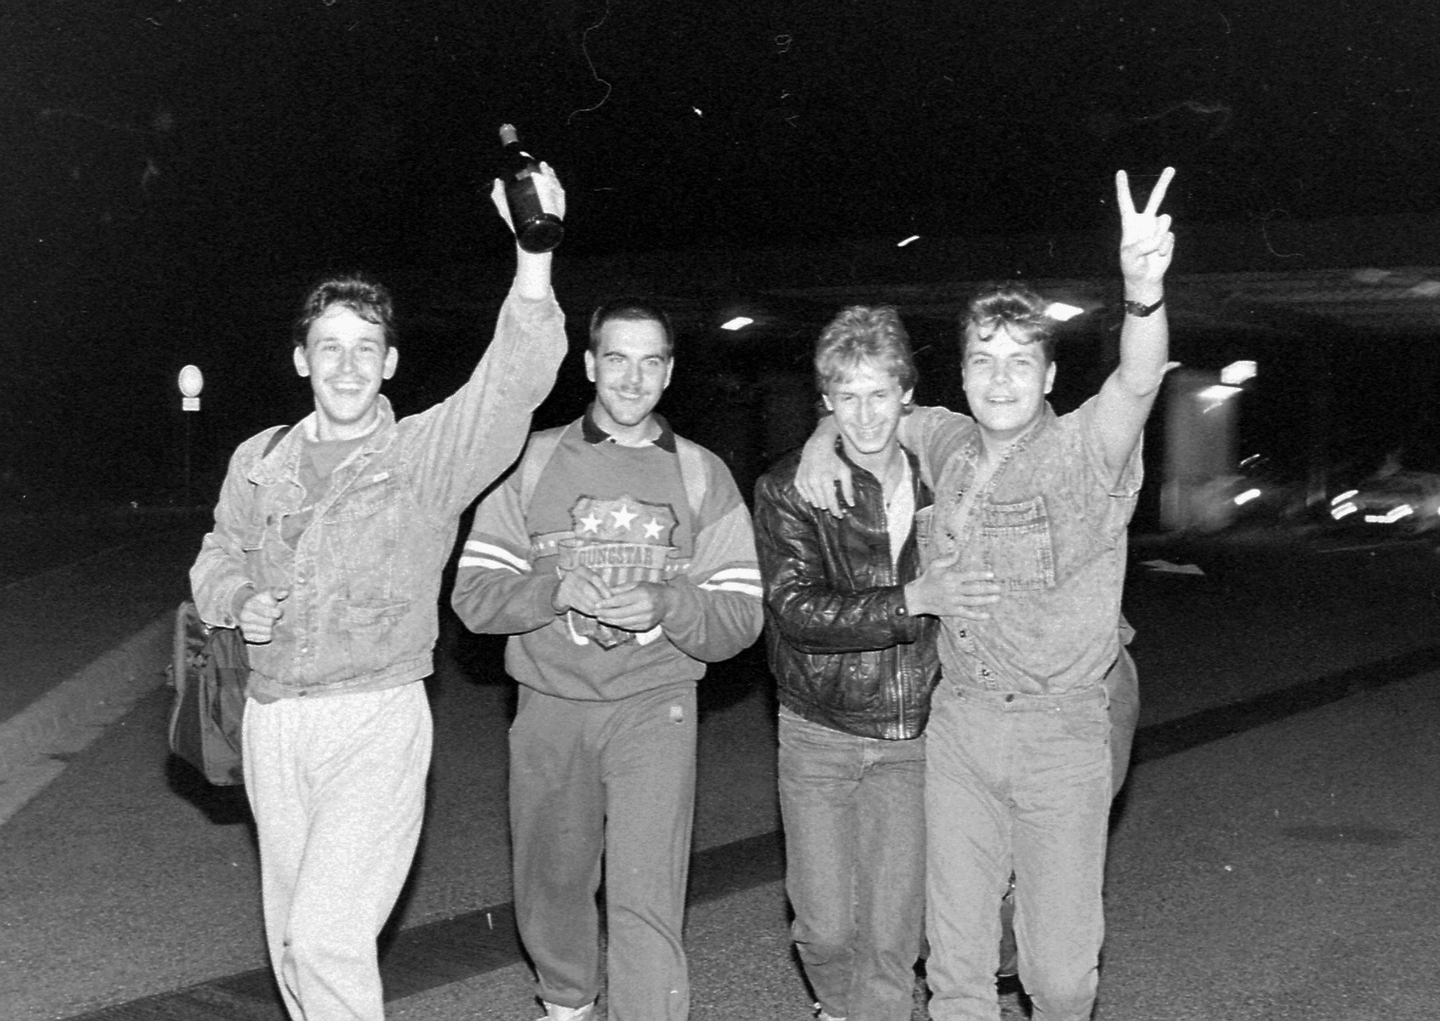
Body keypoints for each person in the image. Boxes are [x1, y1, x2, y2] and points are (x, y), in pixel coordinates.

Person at [188, 164, 570, 1021]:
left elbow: (513, 382)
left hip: (374, 716)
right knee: (297, 945)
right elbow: (215, 552)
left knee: (325, 938)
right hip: (273, 717)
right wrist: (236, 593)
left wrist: (533, 251)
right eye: (331, 346)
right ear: (301, 358)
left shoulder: (425, 457)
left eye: (367, 347)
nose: (348, 364)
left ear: (390, 360)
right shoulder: (260, 458)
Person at [797, 167, 1175, 1021]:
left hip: (1062, 730)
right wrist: (824, 435)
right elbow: (872, 406)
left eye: (1020, 362)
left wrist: (1143, 292)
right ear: (962, 375)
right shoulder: (948, 439)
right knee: (958, 966)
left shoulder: (1087, 450)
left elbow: (1139, 381)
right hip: (961, 725)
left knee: (1062, 975)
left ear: (1047, 376)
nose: (1000, 379)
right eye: (982, 361)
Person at [450, 298, 764, 1021]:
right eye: (617, 358)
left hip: (656, 704)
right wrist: (555, 588)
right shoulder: (530, 461)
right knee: (552, 877)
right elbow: (474, 594)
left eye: (651, 360)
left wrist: (668, 605)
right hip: (551, 704)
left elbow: (742, 611)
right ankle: (566, 1000)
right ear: (589, 365)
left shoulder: (701, 474)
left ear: (670, 371)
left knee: (645, 889)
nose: (633, 377)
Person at [753, 306, 1002, 1021]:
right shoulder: (790, 487)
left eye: (880, 393)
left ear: (907, 395)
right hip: (819, 732)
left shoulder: (946, 477)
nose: (865, 414)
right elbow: (796, 612)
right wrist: (914, 598)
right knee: (824, 930)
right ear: (825, 402)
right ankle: (839, 1006)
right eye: (847, 397)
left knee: (893, 941)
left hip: (916, 738)